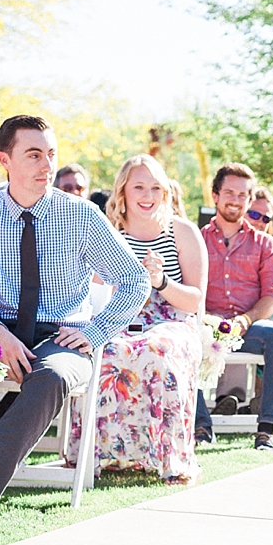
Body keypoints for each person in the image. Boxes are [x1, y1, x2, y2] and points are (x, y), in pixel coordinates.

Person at [0, 115, 150, 524]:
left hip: (62, 335)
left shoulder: (82, 216)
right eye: (33, 155)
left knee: (51, 375)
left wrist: (96, 330)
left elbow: (134, 279)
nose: (46, 165)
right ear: (5, 159)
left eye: (51, 154)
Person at [64, 154, 206, 484]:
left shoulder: (182, 232)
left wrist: (160, 281)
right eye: (139, 187)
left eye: (155, 188)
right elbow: (95, 292)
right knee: (105, 352)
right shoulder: (111, 233)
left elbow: (196, 299)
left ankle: (167, 458)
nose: (147, 195)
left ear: (165, 193)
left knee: (158, 350)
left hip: (172, 320)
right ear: (123, 190)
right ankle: (97, 455)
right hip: (119, 318)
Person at [194, 163, 273, 450]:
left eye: (242, 195)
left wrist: (244, 320)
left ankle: (266, 430)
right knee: (182, 336)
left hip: (247, 329)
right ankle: (201, 426)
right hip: (205, 325)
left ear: (250, 200)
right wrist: (204, 321)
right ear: (215, 195)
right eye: (229, 192)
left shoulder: (266, 245)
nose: (235, 200)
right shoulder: (196, 239)